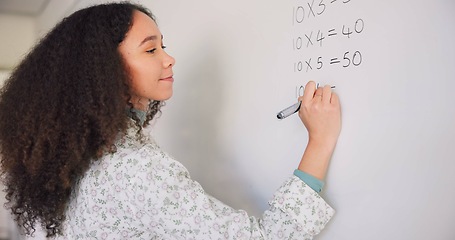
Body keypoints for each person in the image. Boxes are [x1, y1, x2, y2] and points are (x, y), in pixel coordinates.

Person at [0, 2, 341, 239]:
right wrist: (320, 141)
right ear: (102, 70)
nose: (169, 59)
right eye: (151, 50)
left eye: (163, 46)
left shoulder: (82, 150)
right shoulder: (134, 169)